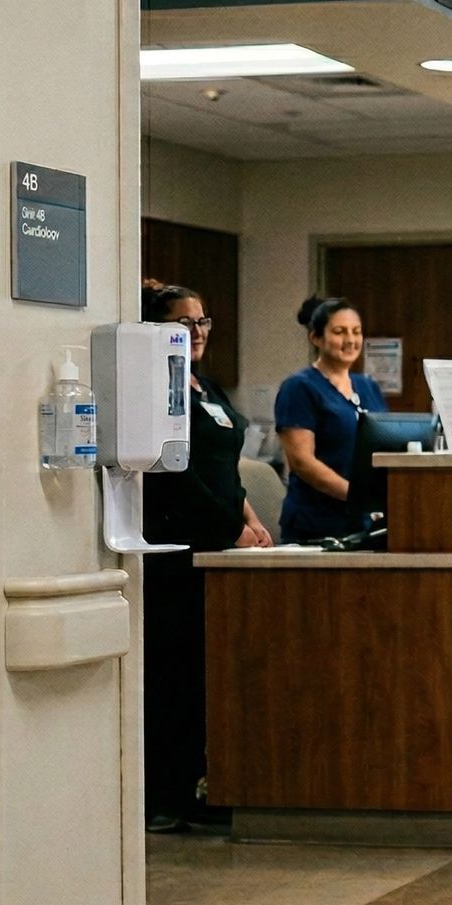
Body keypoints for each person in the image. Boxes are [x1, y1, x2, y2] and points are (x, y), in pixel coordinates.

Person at [139, 280, 273, 833]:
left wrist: (247, 516)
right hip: (179, 553)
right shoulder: (157, 390)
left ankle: (200, 784)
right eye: (183, 324)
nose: (196, 333)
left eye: (202, 322)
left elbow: (224, 466)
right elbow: (176, 477)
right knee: (174, 677)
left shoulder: (204, 387)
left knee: (206, 676)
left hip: (220, 546)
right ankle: (165, 795)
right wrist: (226, 526)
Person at [274, 297, 387, 542]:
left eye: (356, 332)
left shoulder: (367, 386)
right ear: (315, 337)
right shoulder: (299, 387)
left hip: (365, 523)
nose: (350, 340)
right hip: (317, 525)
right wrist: (358, 496)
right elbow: (302, 463)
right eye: (339, 332)